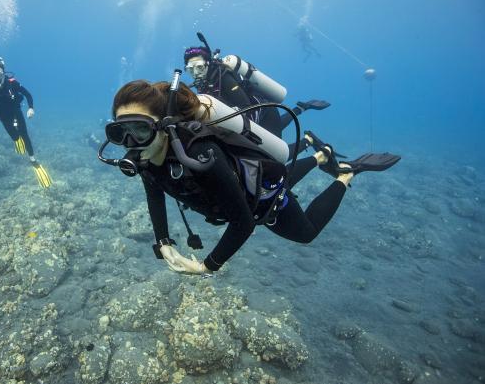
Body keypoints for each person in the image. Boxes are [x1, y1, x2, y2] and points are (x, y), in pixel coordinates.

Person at [102, 79, 400, 275]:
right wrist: (163, 241)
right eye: (120, 133)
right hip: (249, 181)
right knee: (279, 175)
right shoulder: (147, 157)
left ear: (164, 126)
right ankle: (321, 155)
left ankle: (346, 174)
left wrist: (207, 266)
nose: (131, 143)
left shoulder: (202, 155)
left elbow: (243, 222)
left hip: (263, 201)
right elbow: (154, 192)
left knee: (305, 232)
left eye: (139, 129)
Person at [183, 45, 329, 146]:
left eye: (200, 67)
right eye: (190, 69)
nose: (195, 73)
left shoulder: (223, 78)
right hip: (252, 117)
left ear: (208, 64)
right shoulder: (204, 84)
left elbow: (245, 106)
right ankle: (301, 108)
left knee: (273, 157)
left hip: (264, 112)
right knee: (269, 133)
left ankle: (308, 140)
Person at [0, 59, 52, 188]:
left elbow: (28, 94)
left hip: (15, 111)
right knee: (14, 136)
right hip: (2, 115)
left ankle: (33, 160)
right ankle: (17, 140)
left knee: (24, 134)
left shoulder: (13, 83)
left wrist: (30, 108)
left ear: (4, 74)